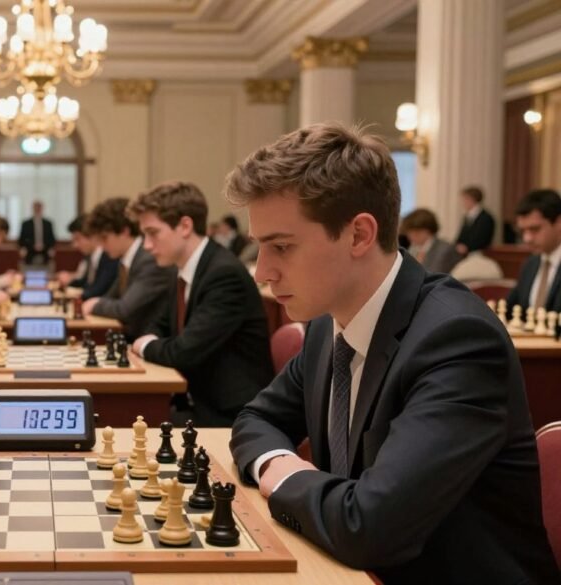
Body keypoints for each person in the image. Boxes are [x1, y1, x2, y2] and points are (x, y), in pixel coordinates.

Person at [225, 123, 559, 584]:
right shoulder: (328, 325)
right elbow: (254, 420)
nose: (262, 272)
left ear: (360, 234)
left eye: (281, 246)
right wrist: (277, 462)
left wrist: (283, 478)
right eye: (259, 248)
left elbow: (371, 527)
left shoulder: (458, 340)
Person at [129, 182, 273, 427]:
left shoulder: (224, 274)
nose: (146, 245)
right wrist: (150, 340)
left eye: (153, 233)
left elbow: (183, 352)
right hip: (197, 400)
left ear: (185, 226)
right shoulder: (185, 269)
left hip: (232, 416)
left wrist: (143, 345)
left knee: (132, 425)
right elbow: (159, 324)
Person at [82, 197, 174, 341]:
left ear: (124, 231)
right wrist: (97, 302)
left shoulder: (148, 259)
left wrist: (94, 304)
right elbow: (110, 298)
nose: (101, 246)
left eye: (105, 238)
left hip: (148, 341)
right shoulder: (126, 259)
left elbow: (124, 309)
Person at [506, 189, 561, 313]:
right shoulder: (530, 264)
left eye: (535, 229)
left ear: (558, 222)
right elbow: (510, 308)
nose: (527, 238)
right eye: (523, 231)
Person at [56, 214, 118, 300]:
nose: (75, 245)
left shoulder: (110, 256)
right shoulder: (89, 257)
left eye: (78, 239)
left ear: (92, 236)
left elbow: (98, 290)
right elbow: (85, 283)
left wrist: (71, 293)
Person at [400, 208, 461, 274]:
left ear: (426, 231)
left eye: (414, 233)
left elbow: (436, 276)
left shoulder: (445, 249)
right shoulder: (413, 249)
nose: (409, 237)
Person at [455, 185, 495, 256]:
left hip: (479, 254)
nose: (463, 202)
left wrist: (467, 247)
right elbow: (461, 236)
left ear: (472, 199)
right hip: (465, 254)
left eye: (465, 199)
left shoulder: (486, 218)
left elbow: (483, 239)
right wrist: (457, 245)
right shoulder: (467, 216)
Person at [18, 200, 56, 265]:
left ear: (42, 209)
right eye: (36, 207)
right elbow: (21, 240)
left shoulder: (48, 224)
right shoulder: (26, 224)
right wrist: (31, 246)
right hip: (30, 250)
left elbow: (52, 239)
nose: (37, 209)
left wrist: (46, 246)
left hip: (45, 250)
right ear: (33, 208)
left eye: (39, 207)